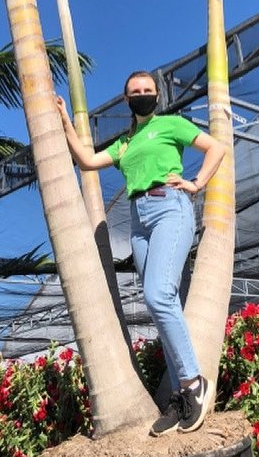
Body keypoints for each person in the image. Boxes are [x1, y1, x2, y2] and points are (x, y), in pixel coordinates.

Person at [57, 69, 226, 436]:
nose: (143, 94)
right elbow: (87, 160)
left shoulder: (170, 124)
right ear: (126, 99)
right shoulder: (126, 143)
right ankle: (181, 399)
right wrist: (65, 122)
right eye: (136, 90)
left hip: (170, 208)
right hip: (139, 222)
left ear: (157, 96)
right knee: (157, 305)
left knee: (158, 293)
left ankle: (194, 384)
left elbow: (217, 147)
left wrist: (197, 183)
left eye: (148, 90)